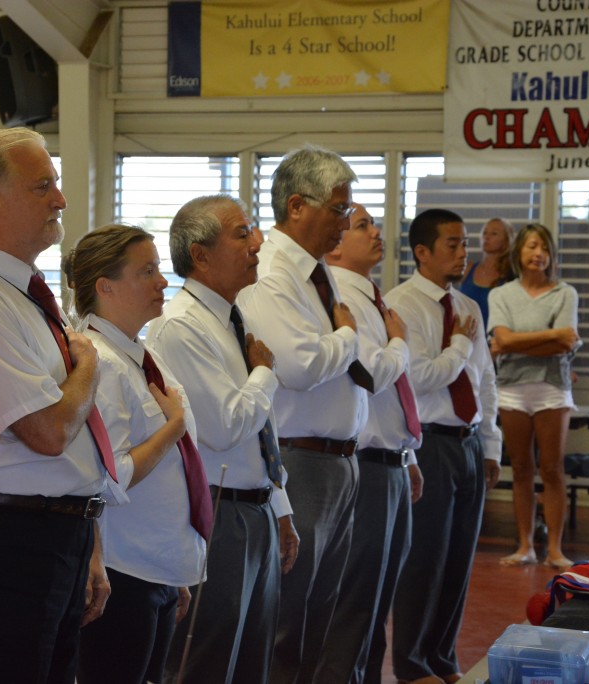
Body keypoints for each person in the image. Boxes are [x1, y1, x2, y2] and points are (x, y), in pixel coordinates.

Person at [0, 127, 114, 684]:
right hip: (14, 541)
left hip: (57, 531)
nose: (60, 200)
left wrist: (87, 542)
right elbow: (47, 430)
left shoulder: (25, 291)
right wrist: (87, 365)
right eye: (43, 186)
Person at [149, 194, 298, 684]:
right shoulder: (181, 328)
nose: (256, 244)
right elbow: (225, 426)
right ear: (201, 254)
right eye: (242, 234)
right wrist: (264, 373)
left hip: (252, 507)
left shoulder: (234, 318)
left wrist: (279, 508)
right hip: (219, 511)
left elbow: (261, 430)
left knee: (252, 657)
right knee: (209, 660)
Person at [237, 145, 368, 684]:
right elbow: (298, 364)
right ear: (296, 206)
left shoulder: (316, 272)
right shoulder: (272, 272)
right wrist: (347, 337)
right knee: (288, 616)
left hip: (337, 460)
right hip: (300, 458)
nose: (345, 221)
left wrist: (336, 340)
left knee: (321, 612)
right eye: (339, 209)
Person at [65, 224, 209, 684]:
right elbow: (111, 477)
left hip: (155, 565)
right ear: (105, 287)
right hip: (122, 572)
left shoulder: (137, 353)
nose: (162, 281)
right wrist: (172, 428)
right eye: (146, 271)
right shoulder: (100, 362)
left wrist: (174, 569)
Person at [385, 208, 502, 684]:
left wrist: (491, 446)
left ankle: (442, 659)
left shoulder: (469, 307)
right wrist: (455, 348)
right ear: (422, 252)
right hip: (428, 444)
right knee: (424, 559)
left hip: (469, 443)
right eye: (451, 244)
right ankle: (412, 665)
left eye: (464, 243)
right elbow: (414, 378)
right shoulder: (401, 305)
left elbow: (486, 381)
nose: (462, 253)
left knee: (458, 560)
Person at [320, 204, 424, 684]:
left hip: (393, 460)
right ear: (336, 243)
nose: (377, 232)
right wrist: (399, 341)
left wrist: (409, 452)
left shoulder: (373, 298)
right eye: (362, 225)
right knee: (357, 600)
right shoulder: (343, 299)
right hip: (366, 463)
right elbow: (374, 375)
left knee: (380, 596)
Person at [489, 223, 579, 570]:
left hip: (552, 388)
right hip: (512, 387)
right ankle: (525, 545)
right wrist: (552, 336)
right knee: (523, 469)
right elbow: (502, 340)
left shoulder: (565, 293)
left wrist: (516, 342)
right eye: (530, 246)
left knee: (553, 468)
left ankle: (554, 549)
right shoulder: (502, 294)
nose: (537, 253)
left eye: (543, 247)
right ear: (518, 253)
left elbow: (566, 344)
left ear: (551, 254)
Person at [459, 217, 515, 326]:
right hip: (466, 337)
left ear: (506, 240)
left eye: (494, 234)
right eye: (484, 233)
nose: (486, 237)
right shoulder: (468, 268)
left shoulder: (511, 275)